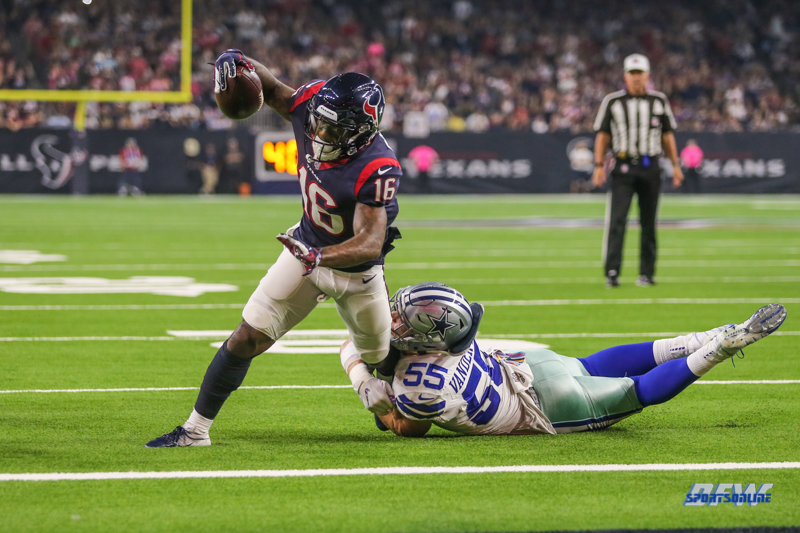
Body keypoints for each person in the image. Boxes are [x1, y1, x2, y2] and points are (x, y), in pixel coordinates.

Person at [146, 49, 403, 447]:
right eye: (319, 124)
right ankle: (195, 430)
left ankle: (390, 395)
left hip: (356, 274)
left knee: (379, 357)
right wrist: (238, 62)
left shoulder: (377, 166)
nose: (319, 134)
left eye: (332, 131)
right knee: (246, 336)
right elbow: (270, 87)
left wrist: (320, 258)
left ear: (360, 133)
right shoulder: (314, 105)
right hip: (305, 247)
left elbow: (369, 243)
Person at [340, 282, 786, 438]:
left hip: (546, 405)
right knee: (593, 364)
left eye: (401, 319)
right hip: (531, 365)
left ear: (427, 336)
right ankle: (703, 337)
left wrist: (371, 391)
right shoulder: (451, 334)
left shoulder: (420, 385)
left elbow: (409, 427)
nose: (392, 321)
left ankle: (716, 349)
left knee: (637, 391)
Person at [591, 54, 684, 288]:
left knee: (649, 222)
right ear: (625, 75)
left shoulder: (658, 100)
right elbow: (603, 135)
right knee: (617, 220)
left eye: (639, 73)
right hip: (623, 167)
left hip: (650, 166)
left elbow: (667, 136)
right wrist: (599, 165)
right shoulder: (613, 101)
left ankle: (647, 273)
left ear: (647, 74)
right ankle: (612, 272)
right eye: (632, 73)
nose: (635, 77)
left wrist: (675, 165)